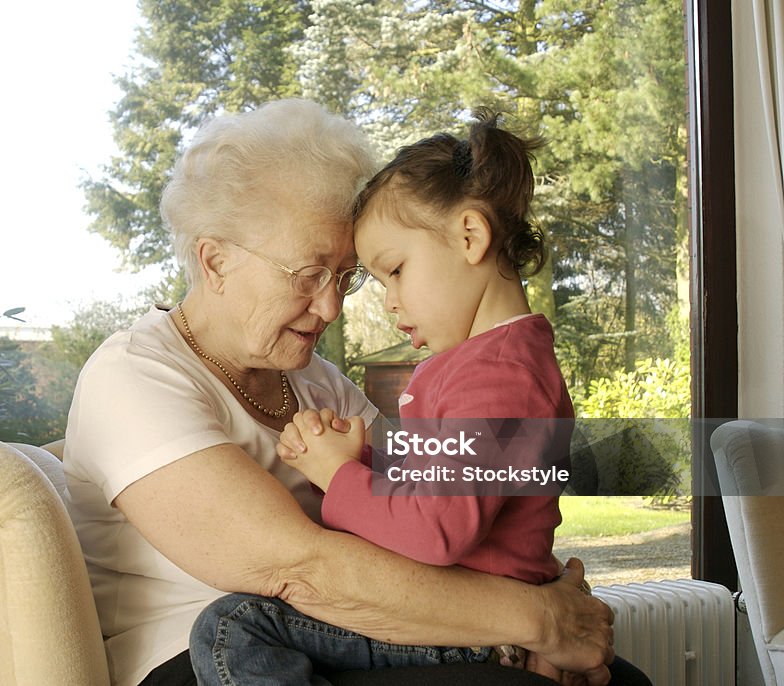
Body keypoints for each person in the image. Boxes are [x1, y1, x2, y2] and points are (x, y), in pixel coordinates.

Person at [63, 99, 618, 686]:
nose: (330, 307)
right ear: (215, 260)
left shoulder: (318, 382)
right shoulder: (134, 375)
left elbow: (430, 518)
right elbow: (295, 569)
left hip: (351, 635)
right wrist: (537, 620)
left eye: (345, 278)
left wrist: (529, 610)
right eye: (308, 275)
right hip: (204, 655)